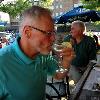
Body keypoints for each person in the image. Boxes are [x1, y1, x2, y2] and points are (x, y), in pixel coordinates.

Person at [0, 6, 74, 100]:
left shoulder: (42, 55)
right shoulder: (2, 63)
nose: (53, 38)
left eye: (53, 33)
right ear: (27, 32)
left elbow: (58, 75)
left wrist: (67, 61)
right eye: (48, 33)